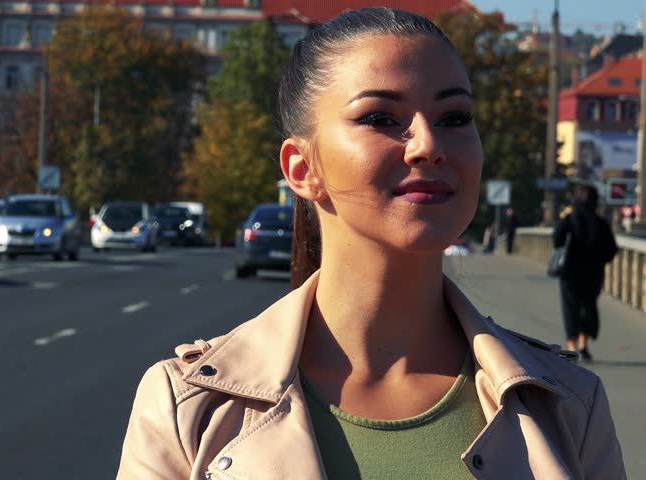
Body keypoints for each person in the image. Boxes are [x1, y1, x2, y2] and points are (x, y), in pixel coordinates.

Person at [118, 8, 625, 479]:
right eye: (381, 118)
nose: (429, 144)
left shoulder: (568, 406)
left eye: (455, 118)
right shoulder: (188, 407)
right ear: (302, 168)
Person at [553, 184, 618, 362]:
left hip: (570, 273)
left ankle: (572, 347)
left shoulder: (570, 219)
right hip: (593, 273)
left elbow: (557, 239)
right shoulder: (600, 222)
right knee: (588, 308)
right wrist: (598, 260)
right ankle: (583, 344)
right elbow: (612, 249)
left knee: (570, 309)